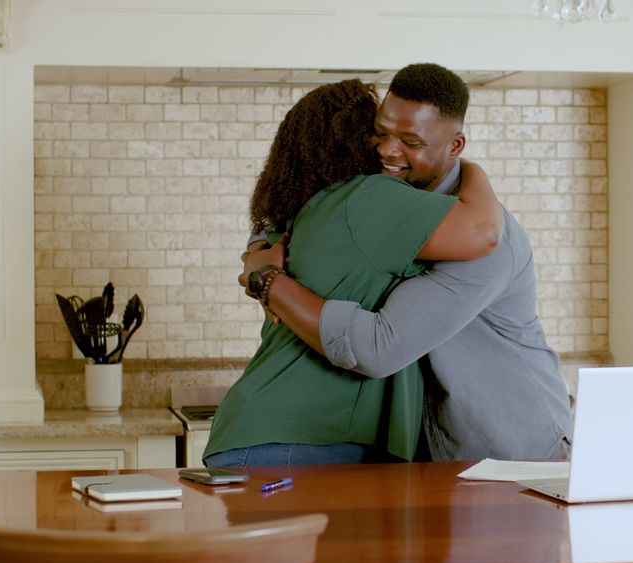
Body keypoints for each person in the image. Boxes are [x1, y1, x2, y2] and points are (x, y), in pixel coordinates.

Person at [243, 63, 572, 461]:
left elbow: (378, 347)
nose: (386, 150)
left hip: (517, 448)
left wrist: (270, 283)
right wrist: (261, 242)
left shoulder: (484, 241)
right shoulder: (383, 204)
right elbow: (293, 208)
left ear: (455, 146)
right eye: (381, 133)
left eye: (410, 141)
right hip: (447, 456)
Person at [203, 79, 503, 467]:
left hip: (269, 432)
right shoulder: (369, 198)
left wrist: (260, 264)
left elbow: (260, 245)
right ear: (354, 138)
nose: (385, 147)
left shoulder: (308, 208)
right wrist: (470, 169)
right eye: (376, 133)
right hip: (302, 439)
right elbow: (484, 232)